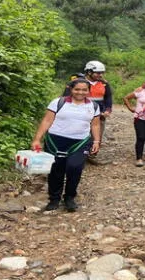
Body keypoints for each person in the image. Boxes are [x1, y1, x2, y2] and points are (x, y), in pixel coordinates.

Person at [32, 79, 101, 212]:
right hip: (55, 140)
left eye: (84, 90)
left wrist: (96, 141)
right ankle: (54, 199)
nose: (80, 92)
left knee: (74, 168)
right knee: (56, 170)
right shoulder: (58, 102)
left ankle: (69, 197)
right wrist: (37, 139)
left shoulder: (93, 106)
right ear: (71, 89)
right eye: (77, 89)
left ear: (88, 91)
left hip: (79, 142)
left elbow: (95, 124)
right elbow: (47, 120)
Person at [65, 61, 112, 164]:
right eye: (98, 73)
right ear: (89, 72)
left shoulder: (104, 83)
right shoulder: (77, 83)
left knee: (96, 135)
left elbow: (108, 98)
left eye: (101, 73)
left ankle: (91, 155)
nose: (100, 75)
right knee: (77, 134)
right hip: (80, 114)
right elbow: (66, 97)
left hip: (99, 115)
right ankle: (75, 155)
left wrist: (108, 110)